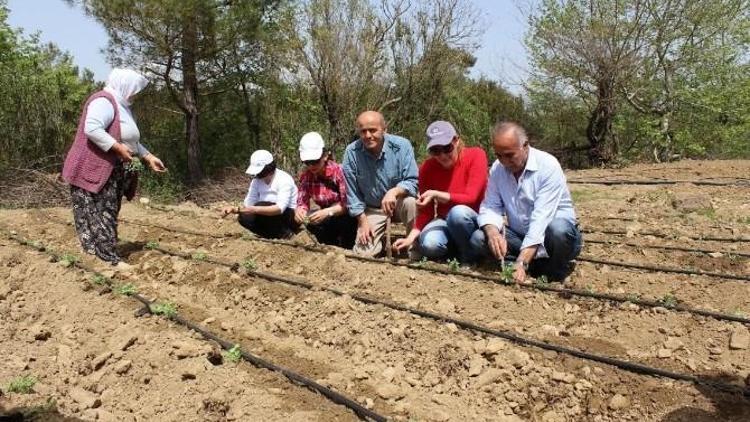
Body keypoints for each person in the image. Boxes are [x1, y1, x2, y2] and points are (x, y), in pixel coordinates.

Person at [62, 68, 166, 268]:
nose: (137, 94)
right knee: (100, 212)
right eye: (135, 89)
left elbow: (129, 138)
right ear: (125, 85)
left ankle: (96, 252)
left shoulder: (122, 105)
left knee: (105, 211)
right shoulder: (103, 101)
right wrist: (117, 148)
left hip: (112, 170)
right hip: (93, 168)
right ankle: (108, 259)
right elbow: (92, 128)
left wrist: (148, 156)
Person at [469, 122, 582, 284]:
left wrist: (522, 260)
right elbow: (490, 206)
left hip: (552, 238)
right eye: (499, 155)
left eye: (509, 155)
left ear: (525, 146)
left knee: (558, 230)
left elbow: (541, 220)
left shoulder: (548, 166)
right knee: (479, 238)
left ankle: (547, 270)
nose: (504, 161)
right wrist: (493, 232)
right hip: (521, 235)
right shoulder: (497, 169)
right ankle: (532, 266)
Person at [392, 121, 487, 263]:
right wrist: (410, 238)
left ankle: (469, 256)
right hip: (444, 219)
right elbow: (426, 211)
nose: (442, 155)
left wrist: (437, 194)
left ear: (456, 141)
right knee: (430, 245)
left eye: (447, 148)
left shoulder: (476, 155)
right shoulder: (427, 167)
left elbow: (471, 197)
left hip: (473, 219)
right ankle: (453, 252)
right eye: (435, 151)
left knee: (458, 213)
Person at [342, 111, 418, 257]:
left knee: (411, 203)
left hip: (399, 203)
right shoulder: (352, 153)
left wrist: (394, 192)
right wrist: (362, 220)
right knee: (363, 254)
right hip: (372, 209)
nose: (368, 135)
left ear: (384, 129)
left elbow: (413, 181)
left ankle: (413, 246)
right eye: (363, 131)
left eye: (373, 130)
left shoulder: (402, 146)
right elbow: (352, 193)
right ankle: (377, 243)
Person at [293, 132, 357, 248]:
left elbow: (348, 204)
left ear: (325, 156)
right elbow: (302, 201)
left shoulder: (340, 172)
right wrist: (300, 211)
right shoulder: (306, 177)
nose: (311, 166)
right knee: (311, 222)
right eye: (307, 162)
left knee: (346, 222)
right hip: (327, 216)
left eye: (315, 161)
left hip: (345, 216)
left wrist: (328, 212)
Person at [221, 150, 299, 239]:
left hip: (288, 216)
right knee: (244, 217)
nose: (258, 175)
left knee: (261, 206)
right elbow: (248, 204)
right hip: (267, 217)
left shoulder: (284, 179)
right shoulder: (256, 181)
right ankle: (271, 235)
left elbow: (280, 208)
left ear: (269, 168)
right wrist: (235, 209)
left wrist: (256, 209)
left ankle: (286, 234)